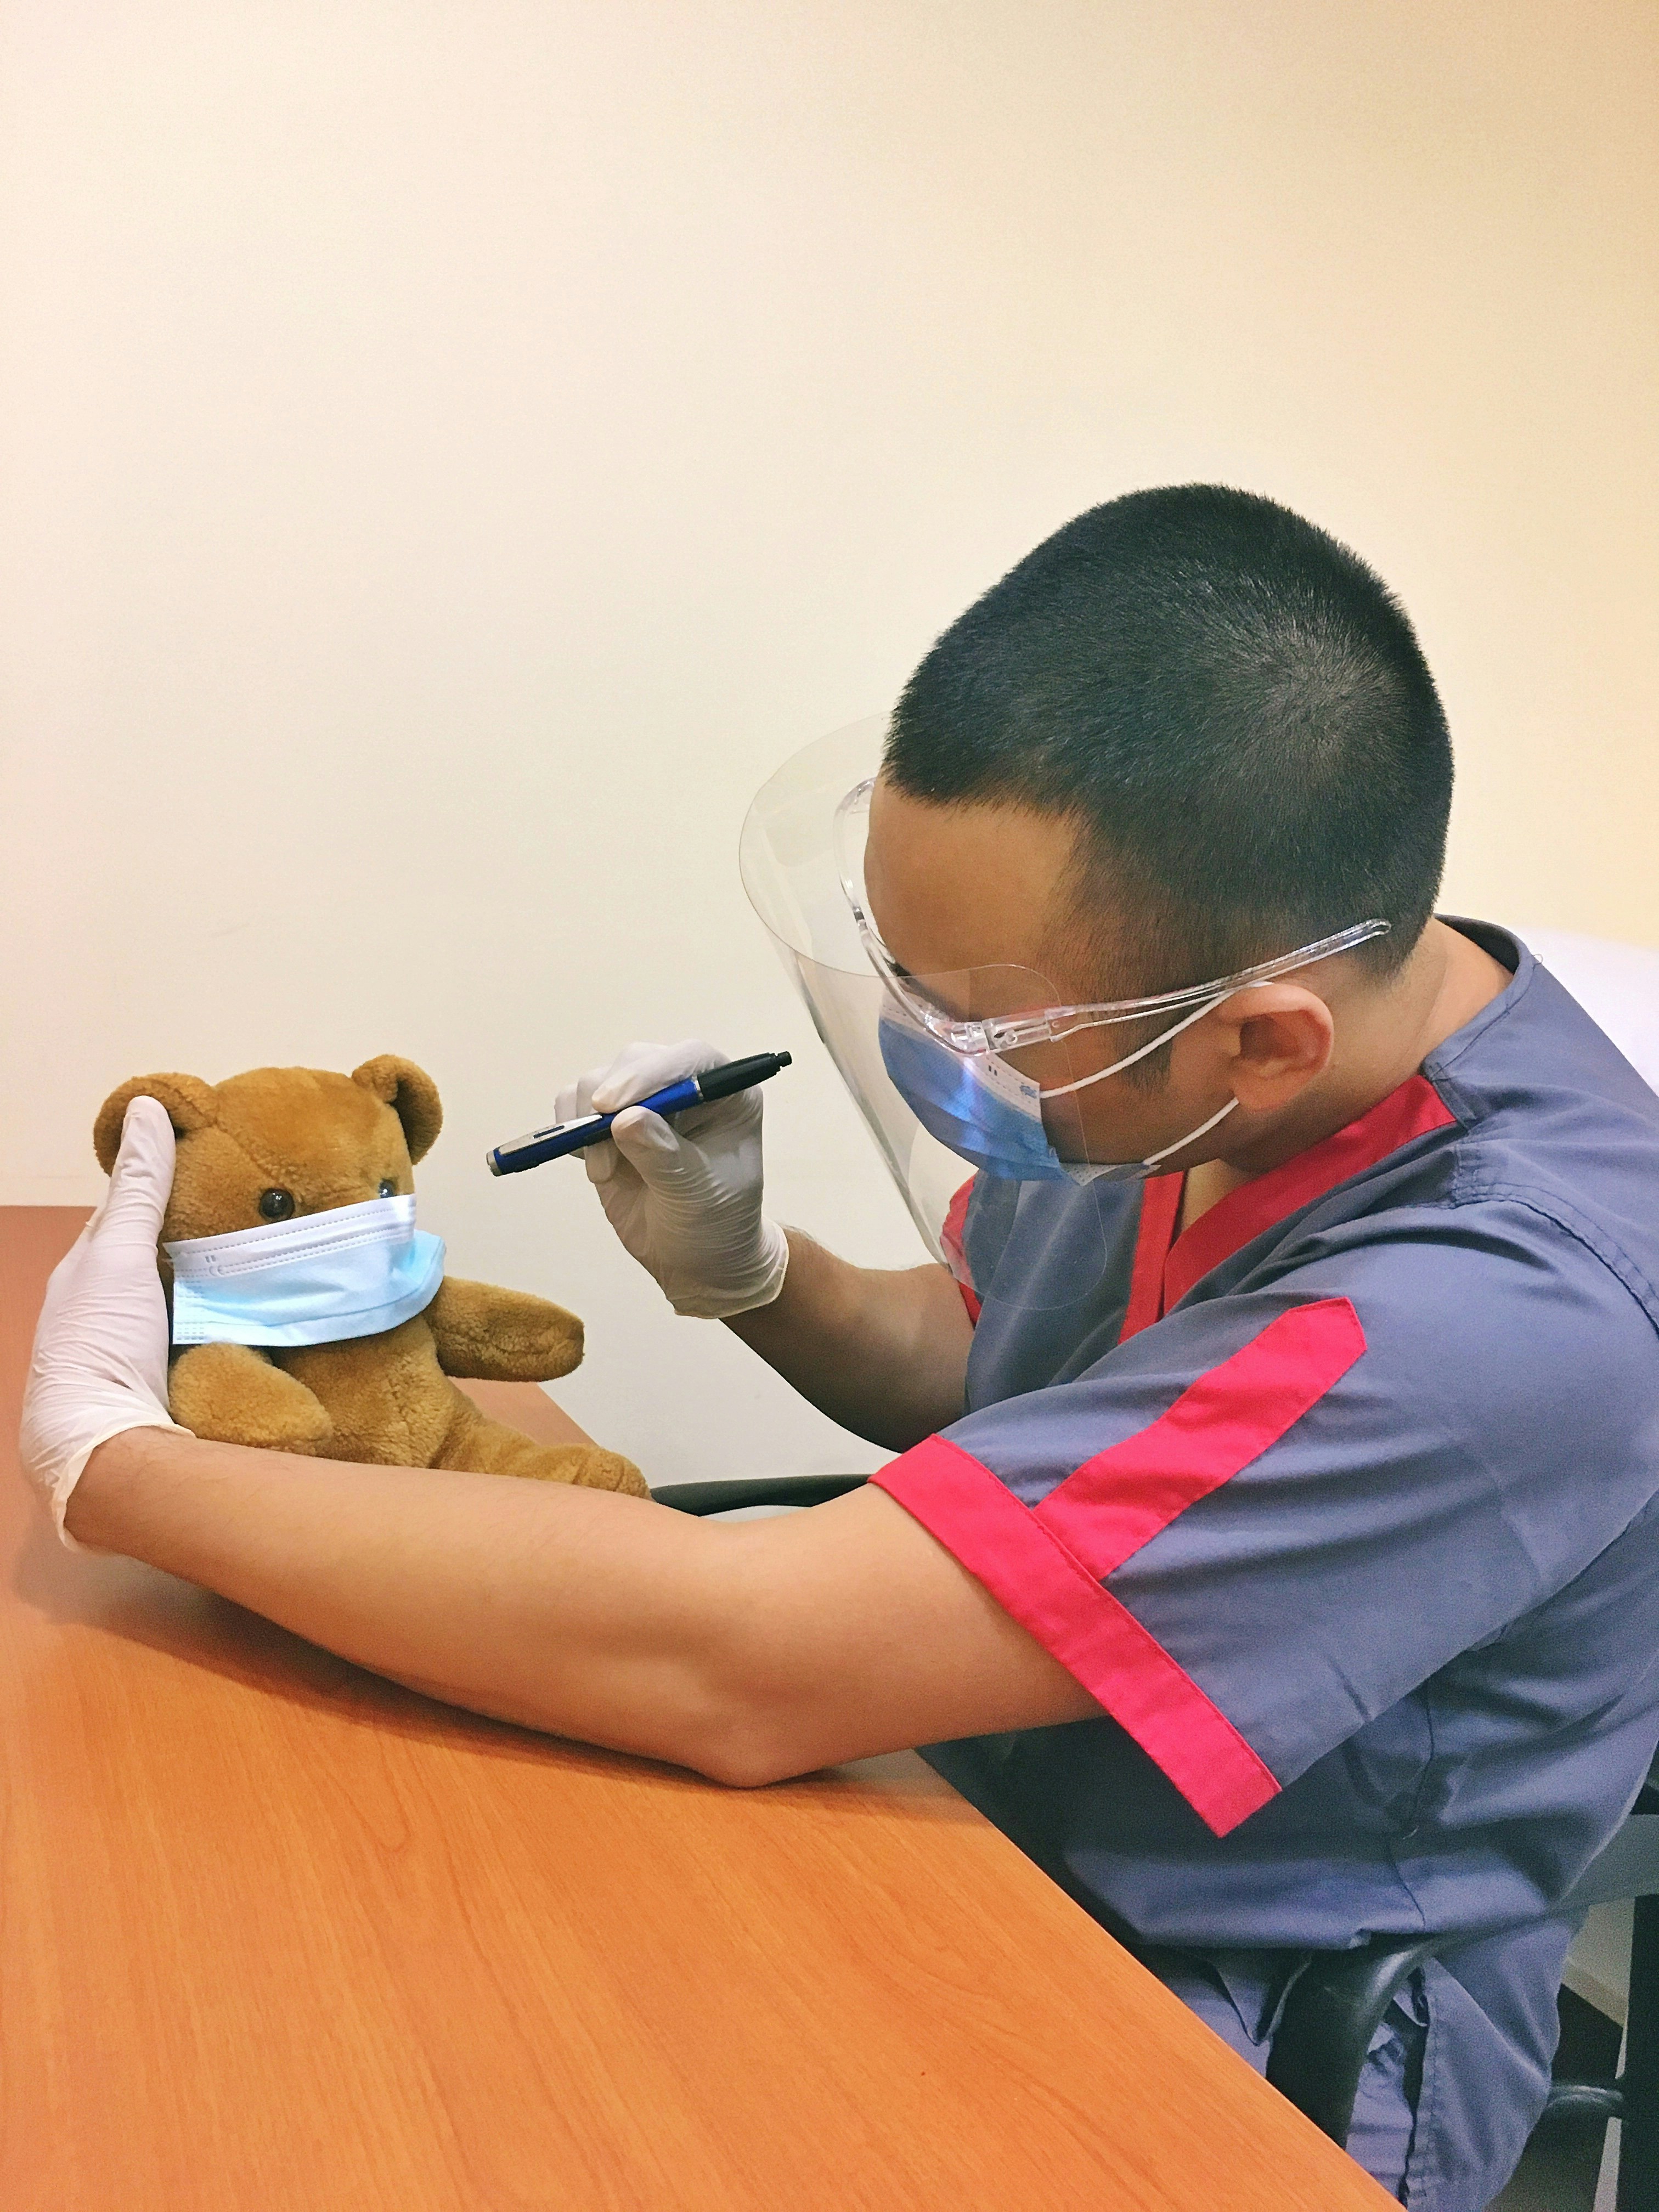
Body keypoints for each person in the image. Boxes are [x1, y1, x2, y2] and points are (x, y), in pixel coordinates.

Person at [22, 486, 1659, 2209]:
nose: (933, 1051)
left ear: (1264, 1039)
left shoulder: (1501, 1306)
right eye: (906, 980)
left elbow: (752, 1661)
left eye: (979, 1020)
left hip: (1229, 2033)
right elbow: (990, 1358)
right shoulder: (1197, 1086)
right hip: (959, 1821)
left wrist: (115, 1461)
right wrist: (753, 1272)